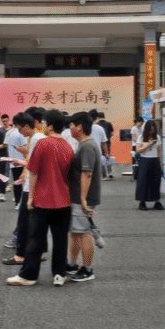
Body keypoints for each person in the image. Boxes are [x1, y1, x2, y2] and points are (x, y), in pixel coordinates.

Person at [6, 109, 74, 287]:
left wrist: (31, 197)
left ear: (49, 126)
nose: (43, 126)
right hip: (64, 200)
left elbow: (34, 172)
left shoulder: (43, 144)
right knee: (60, 239)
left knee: (36, 238)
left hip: (43, 200)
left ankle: (29, 275)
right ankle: (59, 274)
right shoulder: (68, 146)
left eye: (44, 123)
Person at [2, 111, 45, 266]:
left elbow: (34, 164)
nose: (19, 132)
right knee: (34, 223)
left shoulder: (37, 139)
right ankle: (35, 253)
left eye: (20, 129)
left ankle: (21, 255)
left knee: (24, 222)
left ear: (26, 125)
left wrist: (20, 163)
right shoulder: (36, 138)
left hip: (31, 187)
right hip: (34, 184)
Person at [66, 111, 101, 282]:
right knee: (75, 232)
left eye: (72, 125)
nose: (70, 128)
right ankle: (72, 264)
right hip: (78, 197)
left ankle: (87, 269)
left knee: (84, 233)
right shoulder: (83, 144)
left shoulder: (87, 146)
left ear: (79, 127)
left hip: (82, 198)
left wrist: (83, 199)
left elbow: (87, 174)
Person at [135, 119, 163, 210]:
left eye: (153, 129)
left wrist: (160, 162)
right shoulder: (141, 137)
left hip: (155, 160)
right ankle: (142, 202)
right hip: (144, 160)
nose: (152, 131)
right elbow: (138, 150)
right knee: (143, 181)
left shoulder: (157, 137)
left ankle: (157, 201)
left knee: (156, 181)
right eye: (150, 129)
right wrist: (148, 144)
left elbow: (159, 151)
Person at [3, 114, 27, 208]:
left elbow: (5, 144)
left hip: (13, 160)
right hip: (22, 161)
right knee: (22, 182)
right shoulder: (21, 134)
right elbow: (25, 148)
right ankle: (20, 202)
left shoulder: (9, 132)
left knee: (16, 182)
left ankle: (17, 202)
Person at [96, 111, 115, 180]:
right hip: (107, 142)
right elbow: (111, 133)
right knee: (108, 156)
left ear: (98, 117)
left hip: (99, 143)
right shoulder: (108, 124)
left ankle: (103, 174)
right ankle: (110, 172)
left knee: (101, 158)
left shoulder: (97, 125)